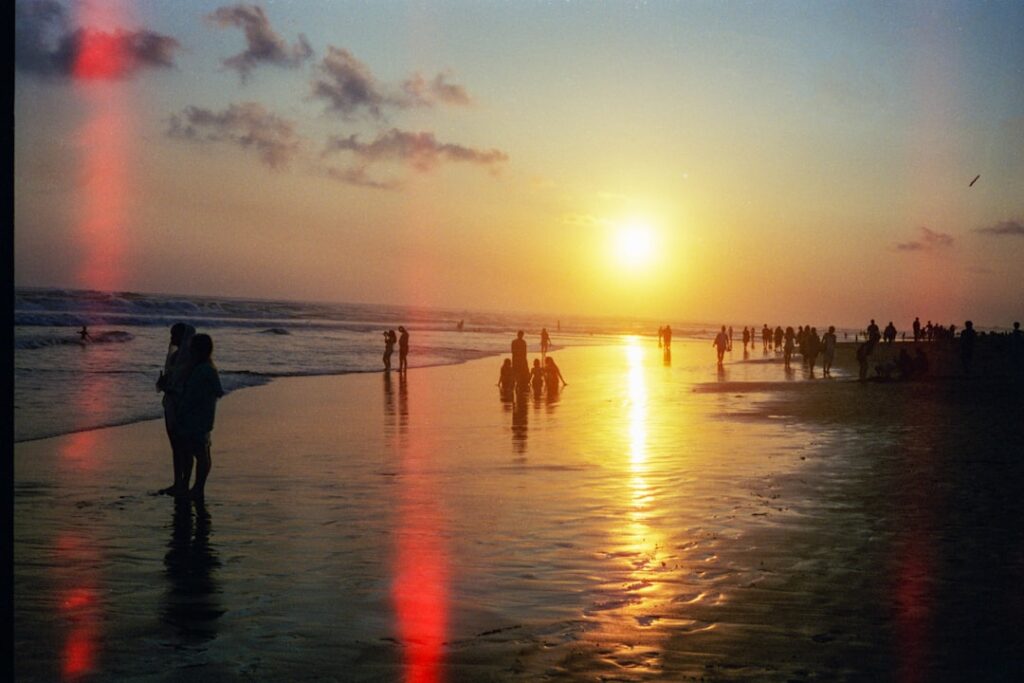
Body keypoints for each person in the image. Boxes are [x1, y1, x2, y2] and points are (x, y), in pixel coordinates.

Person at [176, 334, 224, 500]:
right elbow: (218, 391)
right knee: (201, 452)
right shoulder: (207, 368)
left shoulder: (202, 369)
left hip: (195, 417)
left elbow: (192, 395)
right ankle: (196, 487)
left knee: (198, 453)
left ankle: (197, 487)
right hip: (203, 416)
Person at [157, 323, 196, 495]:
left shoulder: (192, 360)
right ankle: (177, 481)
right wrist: (163, 384)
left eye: (175, 335)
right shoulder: (173, 358)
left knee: (185, 447)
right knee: (175, 445)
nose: (172, 339)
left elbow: (191, 386)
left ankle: (185, 483)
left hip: (184, 407)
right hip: (171, 405)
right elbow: (168, 378)